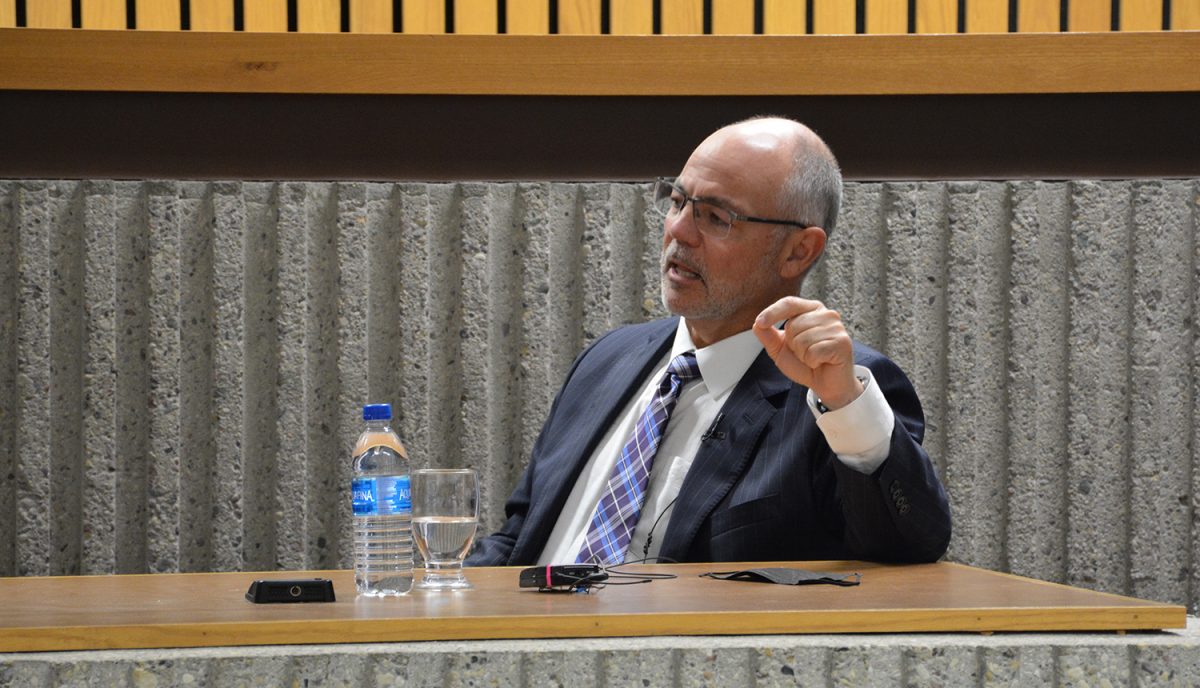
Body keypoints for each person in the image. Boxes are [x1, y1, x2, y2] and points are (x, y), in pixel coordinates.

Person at [466, 116, 951, 567]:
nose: (678, 231)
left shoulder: (833, 396)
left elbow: (908, 546)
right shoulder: (607, 360)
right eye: (677, 202)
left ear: (798, 251)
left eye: (717, 218)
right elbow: (520, 539)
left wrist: (845, 403)